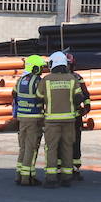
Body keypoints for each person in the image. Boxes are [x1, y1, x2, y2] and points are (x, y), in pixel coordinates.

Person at [38, 51, 85, 187]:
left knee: (51, 148)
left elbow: (38, 96)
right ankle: (67, 177)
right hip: (69, 120)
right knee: (67, 147)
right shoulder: (72, 79)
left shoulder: (46, 80)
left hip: (52, 121)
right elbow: (79, 97)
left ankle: (51, 178)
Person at [11, 54, 47, 186]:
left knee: (23, 147)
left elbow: (14, 94)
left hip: (22, 118)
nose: (42, 70)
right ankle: (26, 178)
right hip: (34, 118)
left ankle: (19, 175)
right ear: (35, 68)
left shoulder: (20, 80)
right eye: (40, 67)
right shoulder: (38, 81)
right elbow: (42, 97)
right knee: (31, 148)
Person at [70, 63, 93, 180]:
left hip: (75, 116)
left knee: (75, 142)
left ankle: (75, 168)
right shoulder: (72, 78)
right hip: (68, 117)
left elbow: (85, 94)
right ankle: (64, 169)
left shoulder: (78, 77)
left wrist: (87, 107)